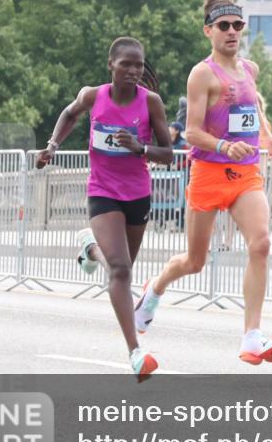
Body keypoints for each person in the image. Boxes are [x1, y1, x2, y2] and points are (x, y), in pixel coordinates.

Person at [135, 0, 272, 365]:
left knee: (261, 243)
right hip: (208, 174)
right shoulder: (202, 74)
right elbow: (191, 132)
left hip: (245, 174)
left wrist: (266, 135)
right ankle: (154, 290)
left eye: (238, 25)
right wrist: (224, 145)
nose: (232, 32)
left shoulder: (250, 69)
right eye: (224, 26)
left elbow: (254, 105)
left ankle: (252, 337)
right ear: (209, 31)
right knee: (194, 261)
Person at [36, 37, 173, 381]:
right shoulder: (92, 96)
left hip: (137, 194)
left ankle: (90, 248)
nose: (133, 70)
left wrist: (140, 148)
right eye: (126, 64)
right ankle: (135, 353)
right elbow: (69, 114)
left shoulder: (150, 102)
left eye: (138, 65)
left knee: (121, 270)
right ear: (111, 65)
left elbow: (168, 154)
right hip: (103, 191)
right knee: (121, 272)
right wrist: (52, 146)